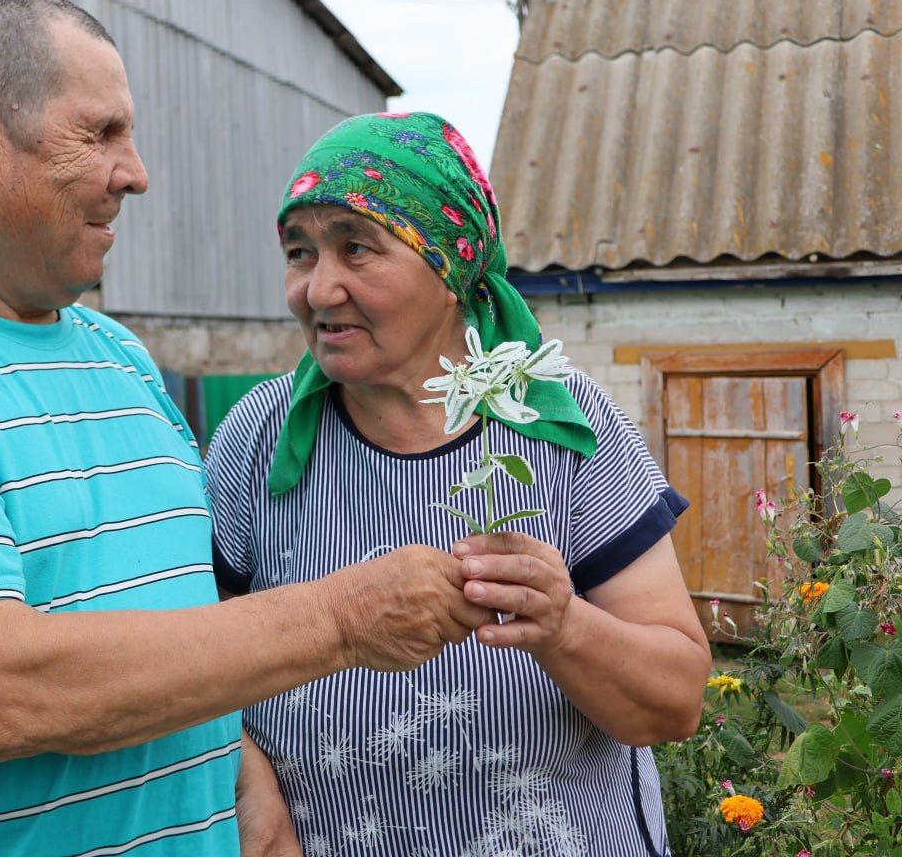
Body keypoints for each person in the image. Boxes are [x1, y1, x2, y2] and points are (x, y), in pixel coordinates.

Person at [0, 0, 494, 857]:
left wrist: (239, 779)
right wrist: (344, 619)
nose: (135, 171)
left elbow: (166, 620)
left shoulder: (118, 358)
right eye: (99, 134)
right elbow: (2, 691)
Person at [206, 111, 713, 856]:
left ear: (451, 268)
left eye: (356, 248)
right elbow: (193, 660)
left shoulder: (564, 425)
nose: (318, 289)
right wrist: (252, 786)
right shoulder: (259, 435)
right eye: (300, 252)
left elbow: (674, 703)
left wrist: (564, 626)